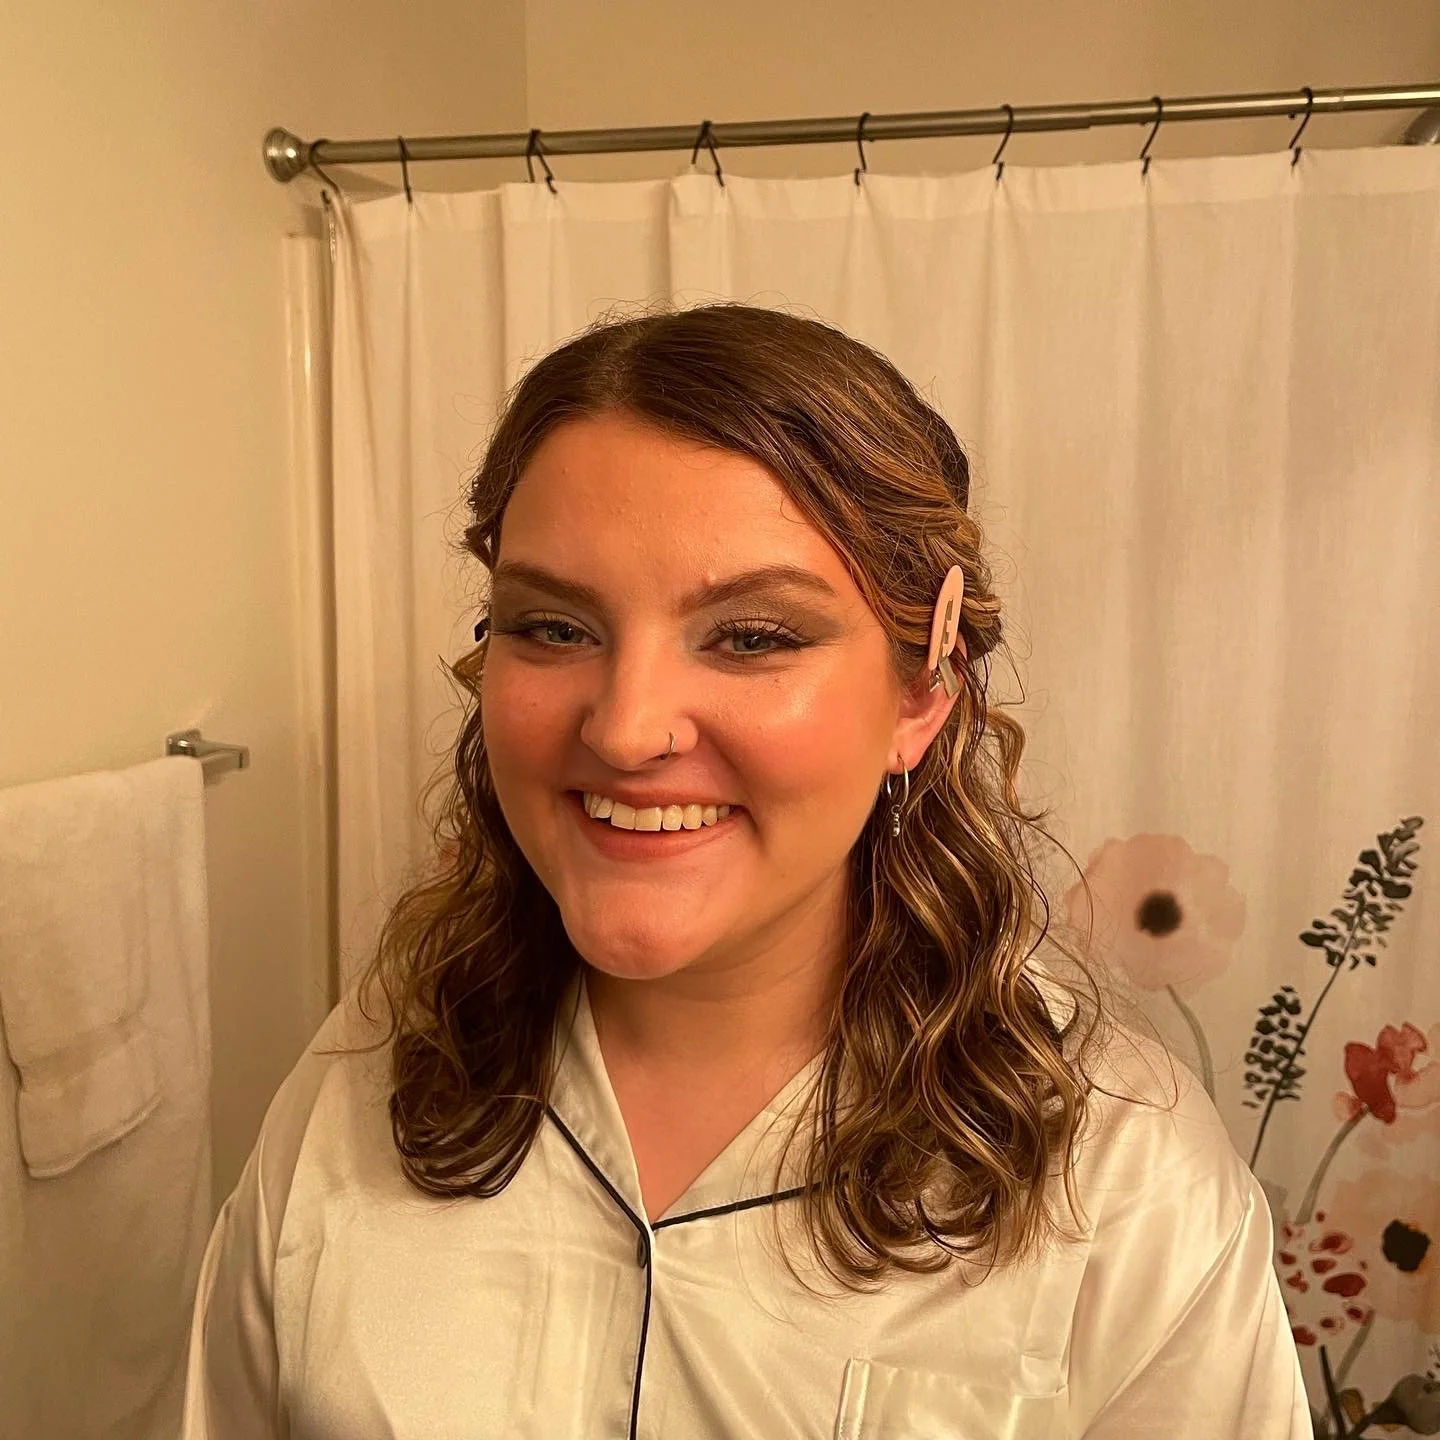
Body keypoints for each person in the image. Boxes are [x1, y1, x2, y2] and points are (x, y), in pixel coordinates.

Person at [181, 301, 1310, 1438]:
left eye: (754, 636)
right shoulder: (359, 1093)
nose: (626, 731)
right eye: (553, 628)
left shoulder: (1129, 1193)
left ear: (923, 693)